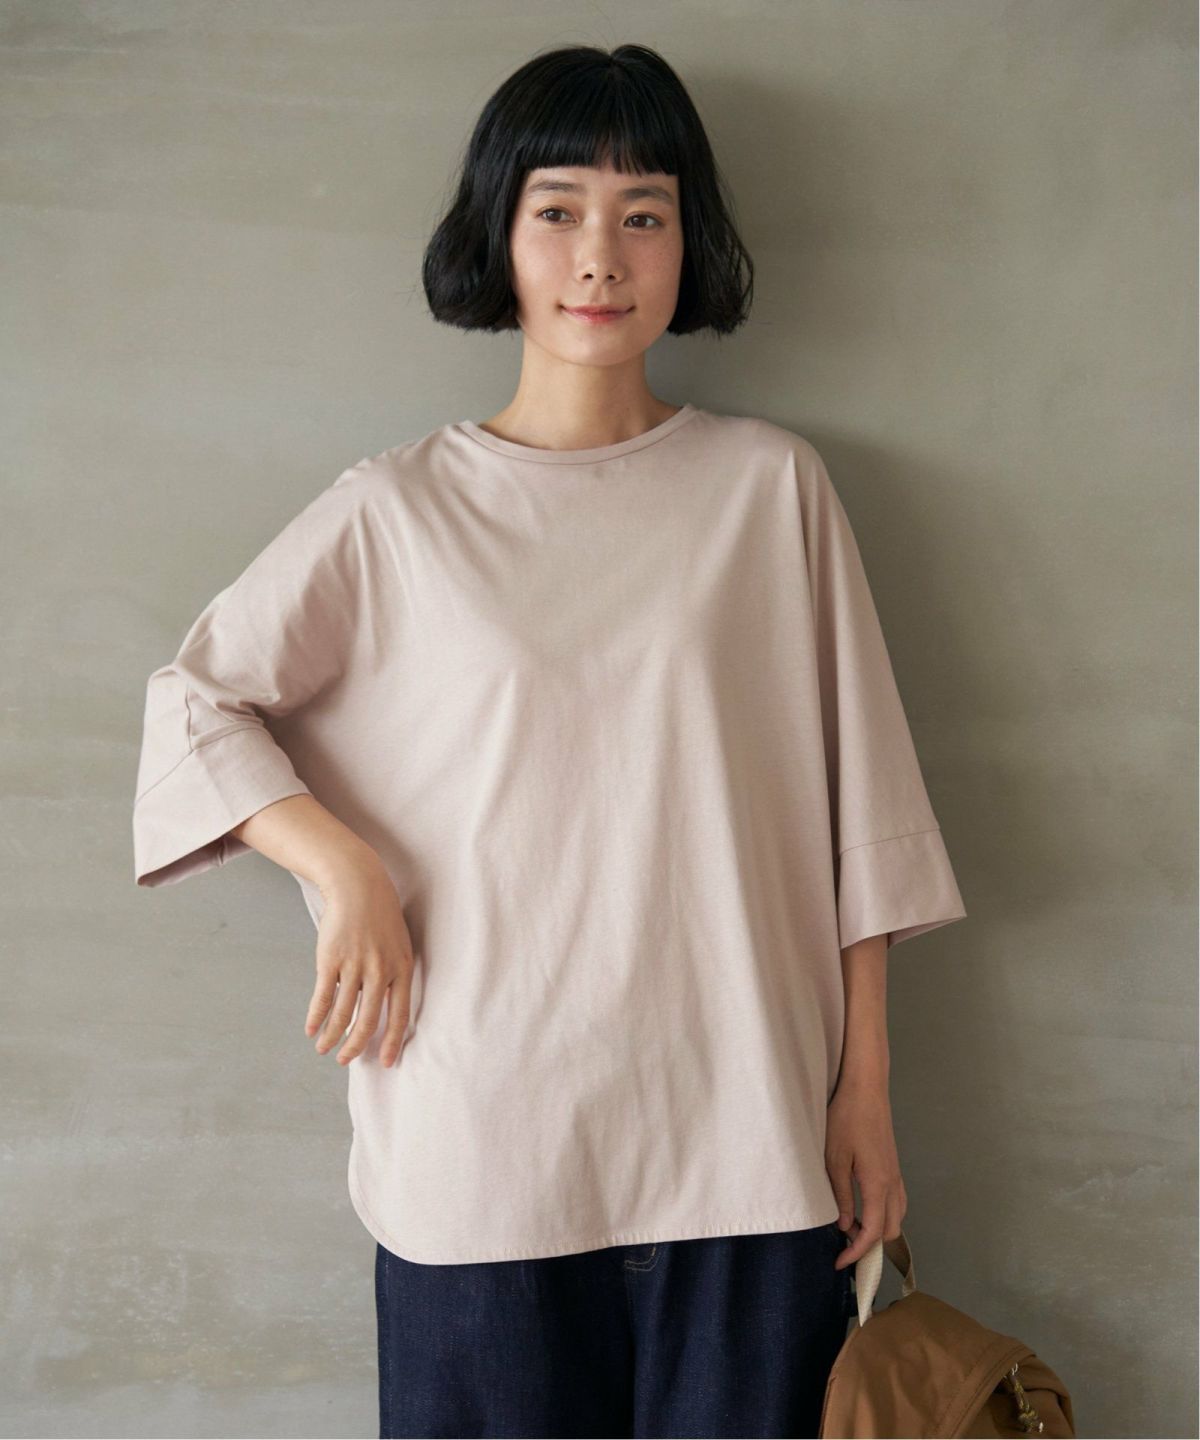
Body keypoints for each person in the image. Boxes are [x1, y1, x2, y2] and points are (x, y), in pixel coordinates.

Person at [132, 41, 966, 1440]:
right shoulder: (398, 512)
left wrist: (866, 1094)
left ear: (688, 244)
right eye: (558, 209)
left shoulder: (772, 492)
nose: (600, 256)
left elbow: (860, 814)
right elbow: (196, 699)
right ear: (500, 237)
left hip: (749, 1142)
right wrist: (340, 868)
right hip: (482, 1150)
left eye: (645, 214)